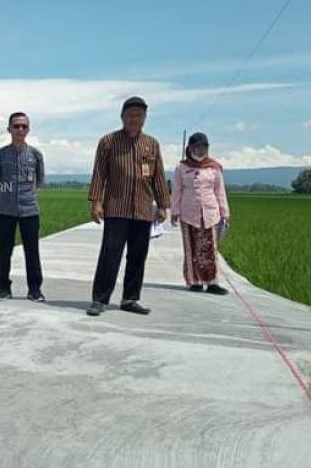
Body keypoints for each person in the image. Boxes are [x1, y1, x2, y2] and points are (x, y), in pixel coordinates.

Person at [86, 96, 170, 316]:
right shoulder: (108, 142)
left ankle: (130, 298)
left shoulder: (151, 144)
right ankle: (100, 299)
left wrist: (163, 205)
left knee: (138, 255)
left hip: (143, 210)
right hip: (116, 207)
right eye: (130, 115)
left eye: (139, 115)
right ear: (122, 116)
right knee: (110, 255)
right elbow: (99, 174)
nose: (135, 119)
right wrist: (96, 202)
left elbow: (158, 176)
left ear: (145, 118)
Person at [0, 112, 46, 302]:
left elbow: (39, 180)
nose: (20, 130)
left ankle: (35, 290)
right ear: (9, 129)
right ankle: (3, 289)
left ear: (28, 129)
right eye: (16, 126)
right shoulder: (1, 154)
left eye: (24, 126)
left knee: (32, 251)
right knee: (4, 251)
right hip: (6, 210)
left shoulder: (35, 155)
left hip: (30, 210)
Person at [170, 132, 231, 294]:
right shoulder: (182, 167)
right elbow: (177, 190)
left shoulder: (214, 168)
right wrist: (174, 211)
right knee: (191, 248)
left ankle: (212, 282)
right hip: (188, 212)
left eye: (204, 146)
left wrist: (224, 213)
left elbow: (220, 191)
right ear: (189, 148)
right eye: (197, 147)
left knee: (210, 247)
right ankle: (193, 281)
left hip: (210, 212)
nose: (201, 150)